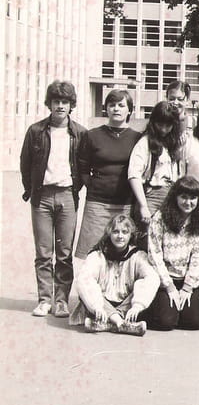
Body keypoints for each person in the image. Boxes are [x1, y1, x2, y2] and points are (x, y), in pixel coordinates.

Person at [20, 80, 87, 317]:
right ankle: (44, 300)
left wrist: (76, 189)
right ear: (49, 104)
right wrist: (31, 189)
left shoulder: (79, 133)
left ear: (71, 105)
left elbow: (84, 165)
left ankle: (61, 301)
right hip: (42, 196)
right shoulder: (36, 131)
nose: (60, 106)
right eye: (56, 101)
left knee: (65, 253)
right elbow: (25, 163)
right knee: (43, 252)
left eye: (65, 102)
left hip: (67, 195)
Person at [75, 89, 141, 263]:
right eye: (112, 105)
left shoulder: (137, 138)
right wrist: (95, 186)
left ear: (130, 110)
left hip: (125, 204)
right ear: (106, 108)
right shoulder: (92, 135)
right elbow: (83, 168)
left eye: (121, 105)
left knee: (121, 253)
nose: (116, 109)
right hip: (97, 203)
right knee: (93, 254)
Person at [69, 215, 158, 336]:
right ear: (109, 233)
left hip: (125, 304)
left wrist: (138, 305)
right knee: (85, 290)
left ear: (131, 235)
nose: (120, 236)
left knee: (147, 288)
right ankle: (120, 323)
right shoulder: (98, 254)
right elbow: (85, 279)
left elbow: (151, 277)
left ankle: (108, 324)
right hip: (103, 304)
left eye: (125, 232)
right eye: (116, 232)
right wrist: (96, 306)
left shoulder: (138, 255)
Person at [147, 176, 199, 331]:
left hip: (187, 279)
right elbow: (154, 255)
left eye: (192, 198)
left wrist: (187, 287)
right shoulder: (160, 218)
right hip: (164, 279)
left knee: (194, 323)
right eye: (183, 197)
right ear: (175, 197)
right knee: (166, 322)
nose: (188, 202)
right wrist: (169, 287)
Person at [128, 101, 183, 248]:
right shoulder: (145, 142)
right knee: (148, 242)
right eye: (160, 124)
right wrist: (143, 206)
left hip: (171, 196)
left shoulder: (174, 144)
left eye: (168, 125)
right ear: (153, 122)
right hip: (151, 196)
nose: (164, 129)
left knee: (168, 242)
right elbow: (134, 175)